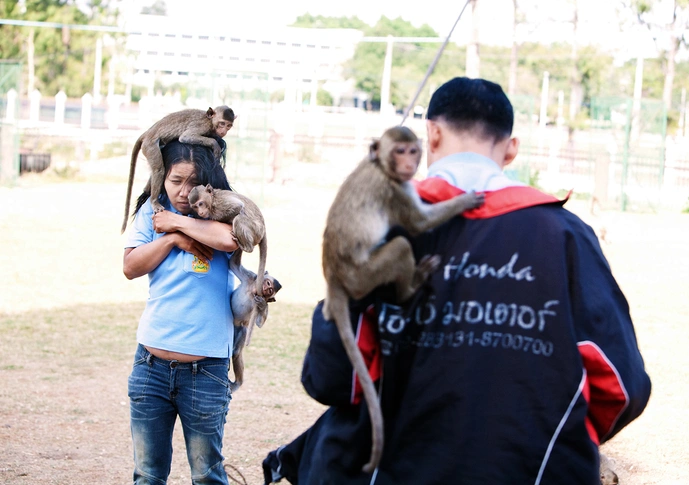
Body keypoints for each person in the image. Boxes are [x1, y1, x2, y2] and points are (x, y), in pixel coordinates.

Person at [262, 77, 652, 485]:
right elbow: (621, 385)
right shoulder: (567, 235)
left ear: (431, 134)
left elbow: (332, 375)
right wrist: (546, 440)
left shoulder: (381, 229)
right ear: (511, 148)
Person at [123, 138, 239, 485]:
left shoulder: (222, 212)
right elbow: (130, 266)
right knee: (148, 475)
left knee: (207, 477)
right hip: (150, 367)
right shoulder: (151, 212)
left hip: (206, 372)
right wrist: (174, 239)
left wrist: (176, 223)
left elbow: (229, 240)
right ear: (163, 179)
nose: (184, 191)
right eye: (176, 181)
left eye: (193, 182)